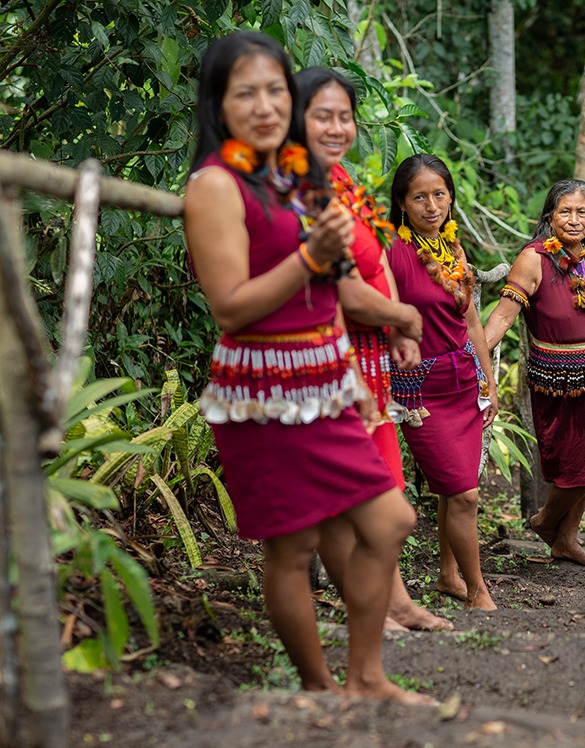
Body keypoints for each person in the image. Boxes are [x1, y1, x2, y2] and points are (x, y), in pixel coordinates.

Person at [183, 31, 430, 703]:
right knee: (291, 549)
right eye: (245, 93)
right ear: (218, 104)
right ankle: (323, 687)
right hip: (263, 389)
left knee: (388, 522)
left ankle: (366, 678)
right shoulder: (214, 186)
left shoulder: (297, 177)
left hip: (327, 379)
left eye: (274, 91)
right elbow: (231, 308)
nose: (264, 106)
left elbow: (340, 283)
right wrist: (309, 259)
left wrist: (395, 316)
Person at [293, 67, 452, 632]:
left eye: (345, 116)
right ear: (293, 117)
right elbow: (338, 284)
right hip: (331, 351)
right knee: (353, 488)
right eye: (322, 116)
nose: (337, 127)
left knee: (384, 481)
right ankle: (368, 607)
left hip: (372, 352)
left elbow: (377, 261)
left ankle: (397, 600)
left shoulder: (340, 181)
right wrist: (403, 316)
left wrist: (396, 330)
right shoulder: (301, 189)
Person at [483, 180, 585, 569]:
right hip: (560, 382)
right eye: (566, 211)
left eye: (583, 212)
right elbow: (503, 315)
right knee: (575, 467)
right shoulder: (534, 258)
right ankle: (545, 521)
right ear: (550, 217)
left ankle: (565, 540)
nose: (575, 219)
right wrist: (477, 354)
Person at [385, 153, 498, 610]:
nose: (432, 206)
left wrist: (488, 382)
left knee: (457, 491)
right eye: (419, 197)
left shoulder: (452, 249)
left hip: (463, 383)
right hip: (420, 391)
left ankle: (449, 576)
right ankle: (478, 592)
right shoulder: (391, 251)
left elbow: (471, 320)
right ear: (402, 203)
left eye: (439, 194)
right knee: (464, 493)